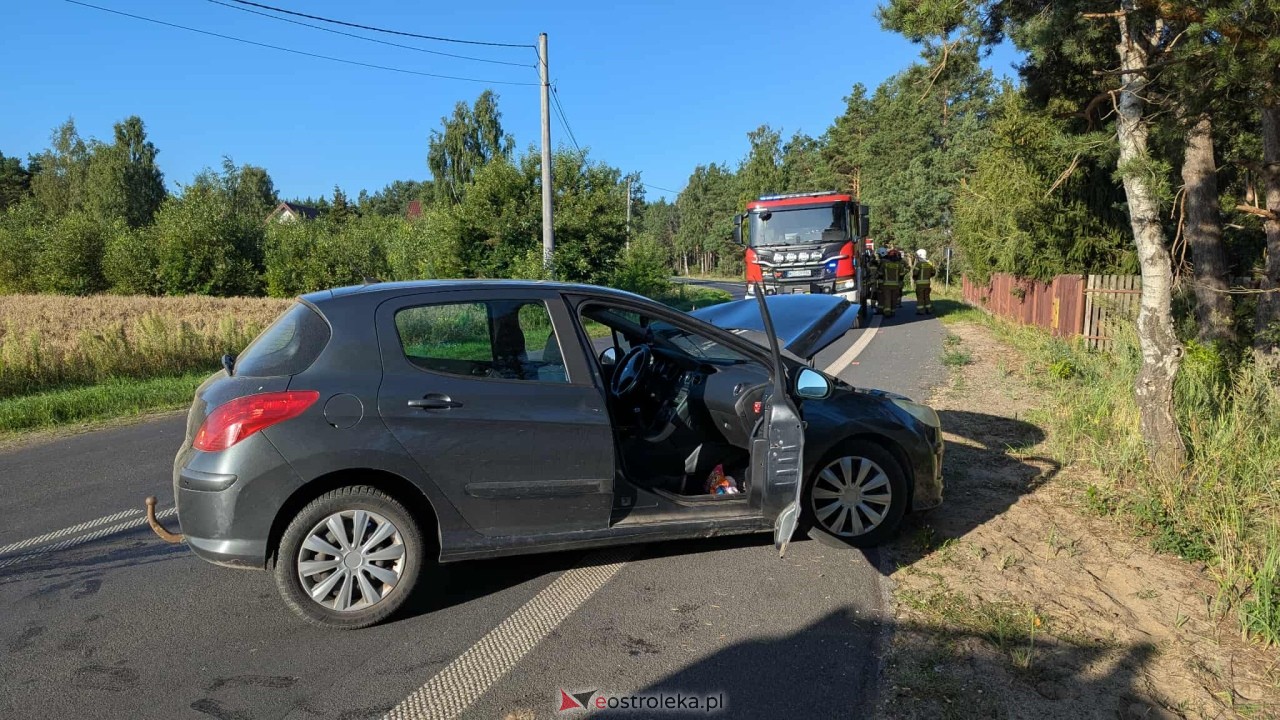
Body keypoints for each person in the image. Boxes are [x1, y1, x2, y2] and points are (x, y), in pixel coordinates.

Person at [879, 248, 905, 317]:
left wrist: (880, 283)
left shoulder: (885, 264)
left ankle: (887, 313)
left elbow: (880, 274)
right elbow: (902, 275)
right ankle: (893, 312)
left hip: (886, 285)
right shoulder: (899, 264)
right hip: (896, 285)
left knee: (887, 299)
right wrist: (899, 282)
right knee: (894, 299)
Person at [913, 248, 936, 314]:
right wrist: (927, 277)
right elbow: (933, 273)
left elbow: (915, 274)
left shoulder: (919, 264)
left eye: (917, 256)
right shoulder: (930, 263)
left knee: (920, 298)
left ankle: (921, 311)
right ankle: (929, 310)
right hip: (927, 283)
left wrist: (915, 279)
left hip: (920, 284)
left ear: (920, 255)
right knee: (927, 297)